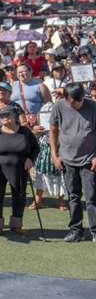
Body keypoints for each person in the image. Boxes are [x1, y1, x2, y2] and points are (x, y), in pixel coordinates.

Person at [49, 82, 96, 242]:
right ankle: (76, 230)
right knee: (73, 197)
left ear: (83, 97)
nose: (72, 105)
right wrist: (54, 155)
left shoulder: (93, 107)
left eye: (76, 102)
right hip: (67, 159)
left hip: (89, 160)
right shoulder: (59, 106)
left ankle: (95, 230)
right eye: (69, 101)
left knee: (92, 198)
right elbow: (53, 130)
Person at [0, 105, 39, 236]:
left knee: (19, 197)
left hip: (19, 169)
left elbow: (35, 148)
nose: (4, 118)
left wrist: (30, 159)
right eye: (2, 116)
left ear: (15, 117)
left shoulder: (25, 132)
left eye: (7, 115)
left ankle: (16, 226)